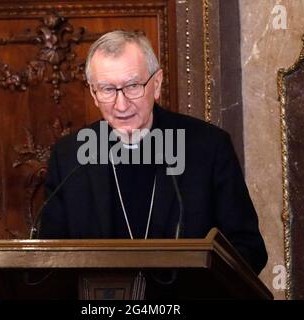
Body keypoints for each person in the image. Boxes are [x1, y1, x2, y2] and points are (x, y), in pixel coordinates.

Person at [39, 30, 267, 276]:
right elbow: (47, 260)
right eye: (107, 89)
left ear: (156, 84)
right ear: (94, 94)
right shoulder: (70, 157)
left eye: (133, 86)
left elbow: (248, 250)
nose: (121, 105)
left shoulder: (209, 148)